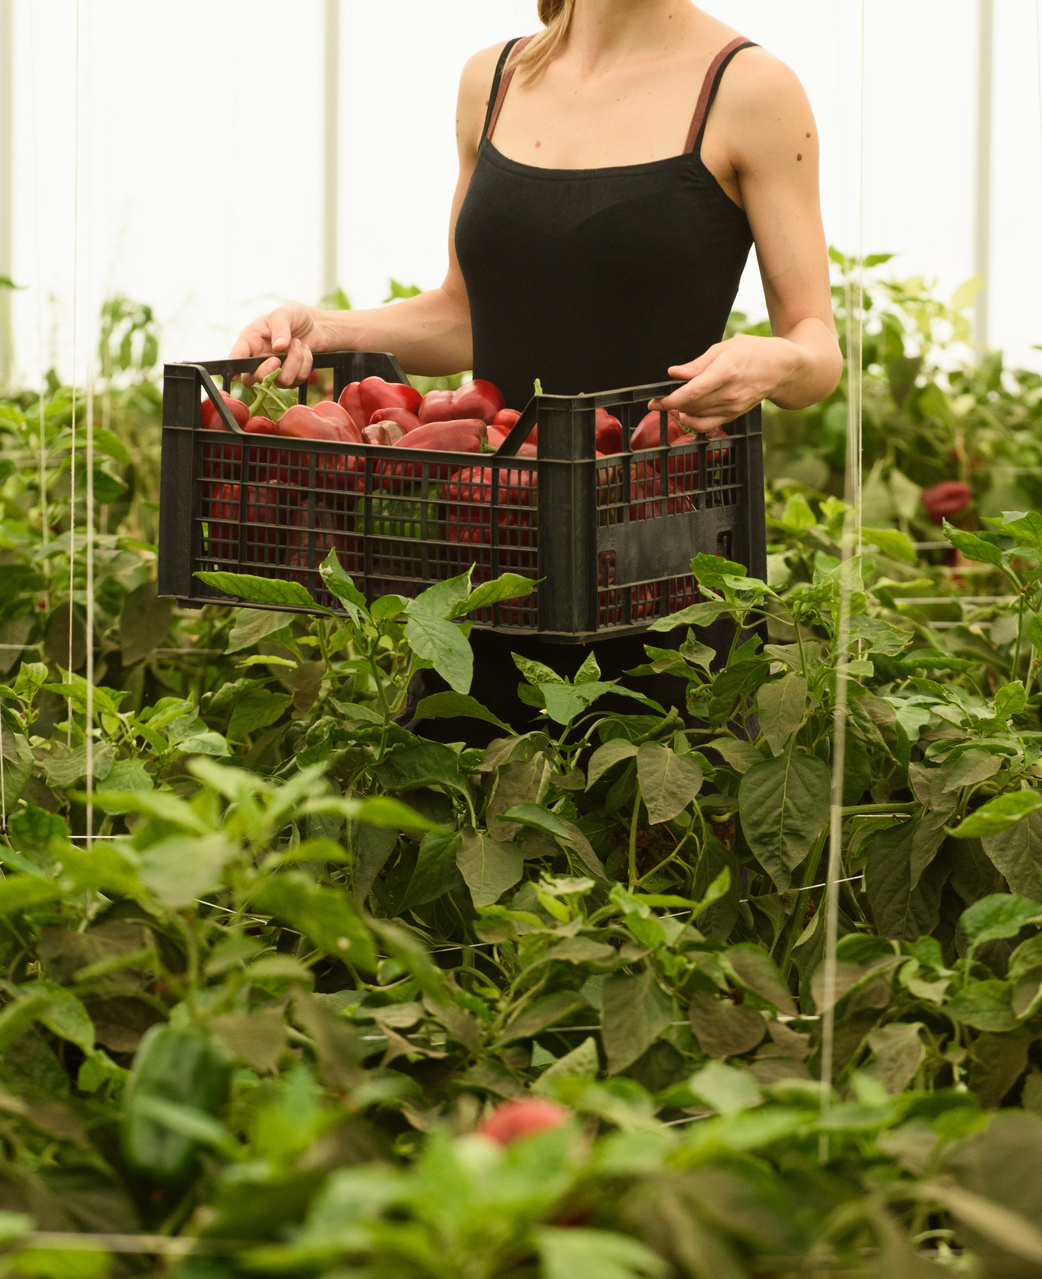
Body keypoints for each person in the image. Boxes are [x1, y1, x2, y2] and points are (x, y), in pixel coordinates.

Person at [231, 0, 842, 736]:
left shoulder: (749, 91)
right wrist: (323, 327)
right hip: (489, 558)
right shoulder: (491, 81)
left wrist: (771, 361)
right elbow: (464, 314)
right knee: (464, 801)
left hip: (658, 556)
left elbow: (817, 350)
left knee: (654, 819)